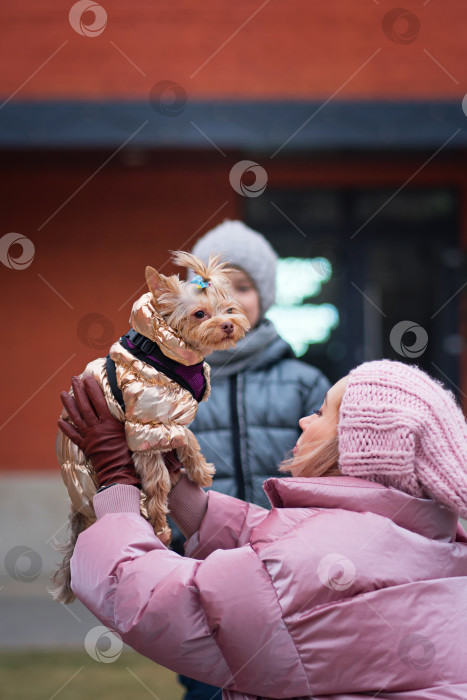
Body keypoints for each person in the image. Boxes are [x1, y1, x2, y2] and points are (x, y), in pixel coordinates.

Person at [59, 359, 467, 700]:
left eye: (323, 413)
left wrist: (116, 482)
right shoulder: (428, 540)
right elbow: (274, 554)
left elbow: (145, 601)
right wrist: (175, 483)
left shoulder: (316, 562)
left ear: (355, 448)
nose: (306, 421)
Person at [176, 220, 330, 699]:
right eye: (216, 287)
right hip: (199, 571)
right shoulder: (175, 383)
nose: (231, 298)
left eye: (242, 287)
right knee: (208, 681)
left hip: (287, 573)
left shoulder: (303, 381)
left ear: (263, 296)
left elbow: (328, 475)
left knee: (289, 677)